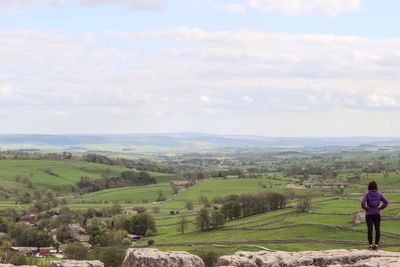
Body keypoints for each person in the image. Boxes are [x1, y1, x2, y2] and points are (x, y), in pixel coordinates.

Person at [361, 181, 388, 250]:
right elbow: (386, 202)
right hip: (377, 213)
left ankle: (370, 245)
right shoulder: (379, 194)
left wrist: (366, 208)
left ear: (369, 187)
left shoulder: (367, 194)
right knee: (377, 229)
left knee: (370, 230)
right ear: (376, 187)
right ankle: (376, 245)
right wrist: (380, 208)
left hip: (369, 214)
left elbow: (362, 203)